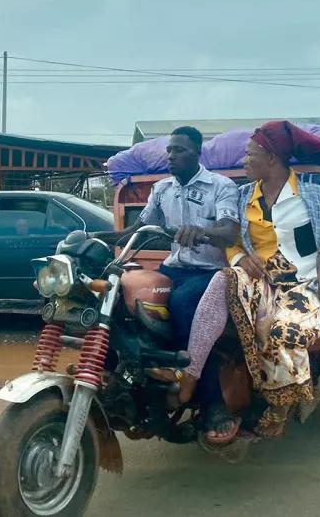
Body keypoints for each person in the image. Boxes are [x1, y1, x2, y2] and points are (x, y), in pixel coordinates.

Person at [181, 121, 320, 438]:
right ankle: (190, 374)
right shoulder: (241, 196)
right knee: (223, 279)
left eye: (251, 156)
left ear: (273, 159)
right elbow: (233, 242)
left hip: (304, 284)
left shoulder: (315, 187)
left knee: (283, 330)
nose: (243, 162)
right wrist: (241, 259)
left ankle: (282, 403)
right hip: (263, 280)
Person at [93, 126, 240, 440]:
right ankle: (107, 374)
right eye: (169, 150)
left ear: (197, 153)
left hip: (209, 273)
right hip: (173, 268)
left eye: (179, 150)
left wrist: (202, 231)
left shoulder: (221, 186)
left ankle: (213, 403)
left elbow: (229, 232)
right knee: (119, 295)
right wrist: (94, 238)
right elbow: (139, 228)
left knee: (183, 306)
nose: (171, 156)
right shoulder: (162, 189)